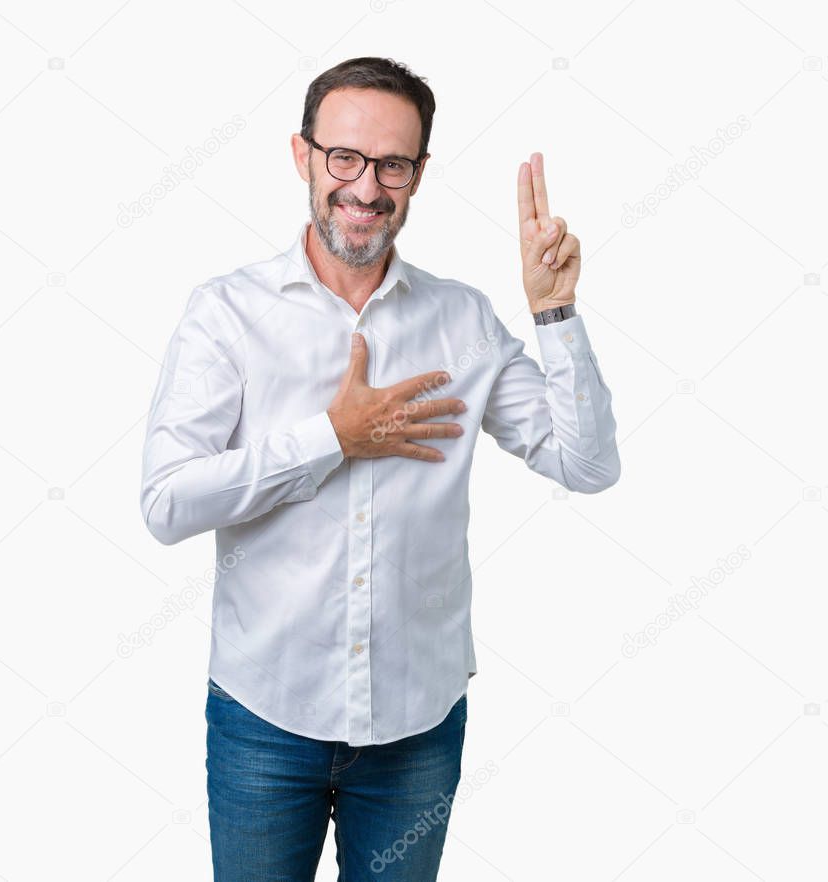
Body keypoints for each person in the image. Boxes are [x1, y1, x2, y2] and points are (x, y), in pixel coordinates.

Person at [139, 55, 620, 882]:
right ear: (303, 156)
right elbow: (166, 503)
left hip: (416, 729)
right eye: (346, 159)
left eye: (392, 164)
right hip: (264, 718)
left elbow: (588, 464)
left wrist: (554, 311)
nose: (366, 187)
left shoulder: (462, 319)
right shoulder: (227, 313)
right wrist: (333, 436)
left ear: (419, 175)